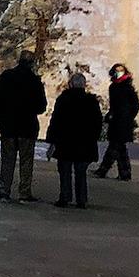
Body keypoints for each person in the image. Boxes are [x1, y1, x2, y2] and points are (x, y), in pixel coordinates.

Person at [0, 50, 47, 203]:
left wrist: (5, 111)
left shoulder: (6, 77)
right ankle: (24, 192)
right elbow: (41, 106)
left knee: (7, 161)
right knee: (26, 162)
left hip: (8, 126)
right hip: (27, 127)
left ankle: (4, 191)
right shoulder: (34, 81)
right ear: (31, 63)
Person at [44, 73, 102, 209]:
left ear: (70, 84)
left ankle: (65, 197)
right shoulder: (91, 101)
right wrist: (93, 138)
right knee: (81, 172)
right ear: (84, 85)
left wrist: (52, 140)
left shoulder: (63, 99)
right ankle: (81, 200)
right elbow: (97, 123)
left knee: (65, 171)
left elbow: (56, 121)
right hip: (84, 143)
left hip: (65, 143)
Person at [93, 62, 137, 181]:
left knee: (115, 146)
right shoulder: (113, 87)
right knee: (119, 147)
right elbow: (114, 106)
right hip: (116, 121)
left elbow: (135, 106)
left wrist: (128, 117)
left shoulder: (128, 88)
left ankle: (103, 169)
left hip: (123, 122)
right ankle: (125, 173)